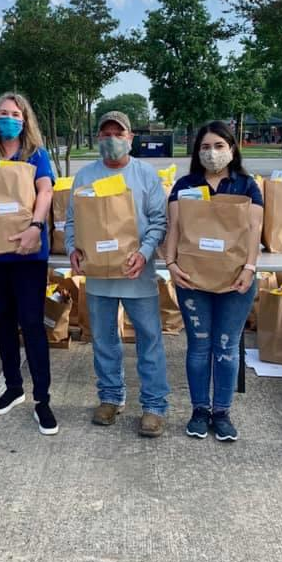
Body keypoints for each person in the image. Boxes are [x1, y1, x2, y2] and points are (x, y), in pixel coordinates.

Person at [65, 111, 169, 437]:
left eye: (118, 133)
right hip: (99, 276)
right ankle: (110, 397)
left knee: (149, 340)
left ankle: (153, 406)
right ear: (98, 138)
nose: (112, 139)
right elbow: (72, 222)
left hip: (137, 272)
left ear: (130, 138)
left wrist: (144, 253)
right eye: (105, 133)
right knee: (104, 340)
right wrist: (73, 249)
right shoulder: (84, 177)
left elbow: (158, 221)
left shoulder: (146, 176)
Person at [161, 121, 263, 442]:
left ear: (232, 149)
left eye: (219, 146)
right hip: (192, 280)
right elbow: (174, 228)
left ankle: (222, 412)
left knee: (226, 346)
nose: (212, 153)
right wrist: (171, 264)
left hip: (236, 281)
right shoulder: (185, 185)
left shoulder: (246, 186)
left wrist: (249, 268)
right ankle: (199, 410)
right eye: (205, 147)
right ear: (197, 152)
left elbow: (254, 231)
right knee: (199, 346)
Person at [0, 93, 57, 435]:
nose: (8, 118)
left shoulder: (36, 156)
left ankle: (43, 399)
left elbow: (45, 192)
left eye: (15, 114)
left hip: (28, 252)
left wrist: (35, 227)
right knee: (3, 318)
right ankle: (14, 387)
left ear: (25, 119)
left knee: (32, 322)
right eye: (3, 113)